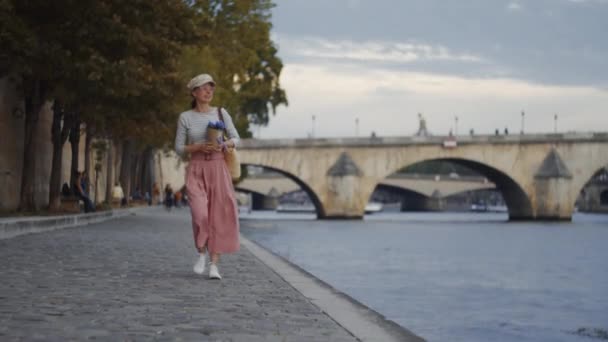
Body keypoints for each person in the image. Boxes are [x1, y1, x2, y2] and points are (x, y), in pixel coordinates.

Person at [175, 73, 240, 280]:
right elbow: (178, 148)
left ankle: (214, 265)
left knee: (218, 217)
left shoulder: (221, 113)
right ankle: (201, 251)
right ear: (194, 92)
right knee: (199, 213)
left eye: (211, 88)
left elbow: (236, 138)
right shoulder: (185, 117)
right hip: (196, 168)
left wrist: (223, 144)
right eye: (204, 88)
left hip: (218, 167)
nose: (208, 91)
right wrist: (198, 147)